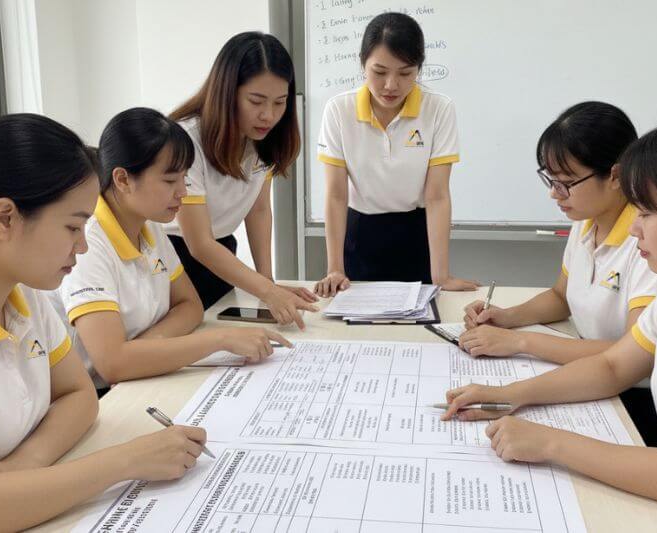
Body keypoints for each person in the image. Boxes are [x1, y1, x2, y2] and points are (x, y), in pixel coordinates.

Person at [443, 112, 657, 532]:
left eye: (648, 213)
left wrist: (549, 441)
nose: (635, 227)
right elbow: (613, 366)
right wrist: (509, 394)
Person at [0, 115, 207, 531]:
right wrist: (126, 460)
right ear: (5, 219)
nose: (83, 245)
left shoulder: (20, 288)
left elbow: (79, 396)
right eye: (72, 226)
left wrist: (26, 464)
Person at [56, 107, 290, 390]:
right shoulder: (90, 244)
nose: (182, 191)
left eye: (183, 178)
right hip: (104, 395)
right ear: (122, 179)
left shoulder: (149, 225)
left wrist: (141, 349)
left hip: (140, 379)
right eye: (169, 181)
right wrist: (220, 339)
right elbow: (112, 365)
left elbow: (190, 307)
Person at [314, 12, 477, 296]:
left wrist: (441, 275)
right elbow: (336, 195)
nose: (391, 85)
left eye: (405, 73)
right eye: (379, 72)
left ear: (418, 69)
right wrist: (334, 268)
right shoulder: (339, 110)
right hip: (360, 233)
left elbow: (437, 195)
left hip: (414, 232)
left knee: (418, 324)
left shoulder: (438, 109)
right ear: (362, 64)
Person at [165, 32, 318, 327]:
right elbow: (198, 243)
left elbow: (258, 210)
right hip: (175, 262)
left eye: (279, 102)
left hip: (220, 256)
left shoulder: (262, 141)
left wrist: (268, 282)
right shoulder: (187, 139)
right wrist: (267, 291)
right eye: (256, 101)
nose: (269, 116)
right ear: (226, 92)